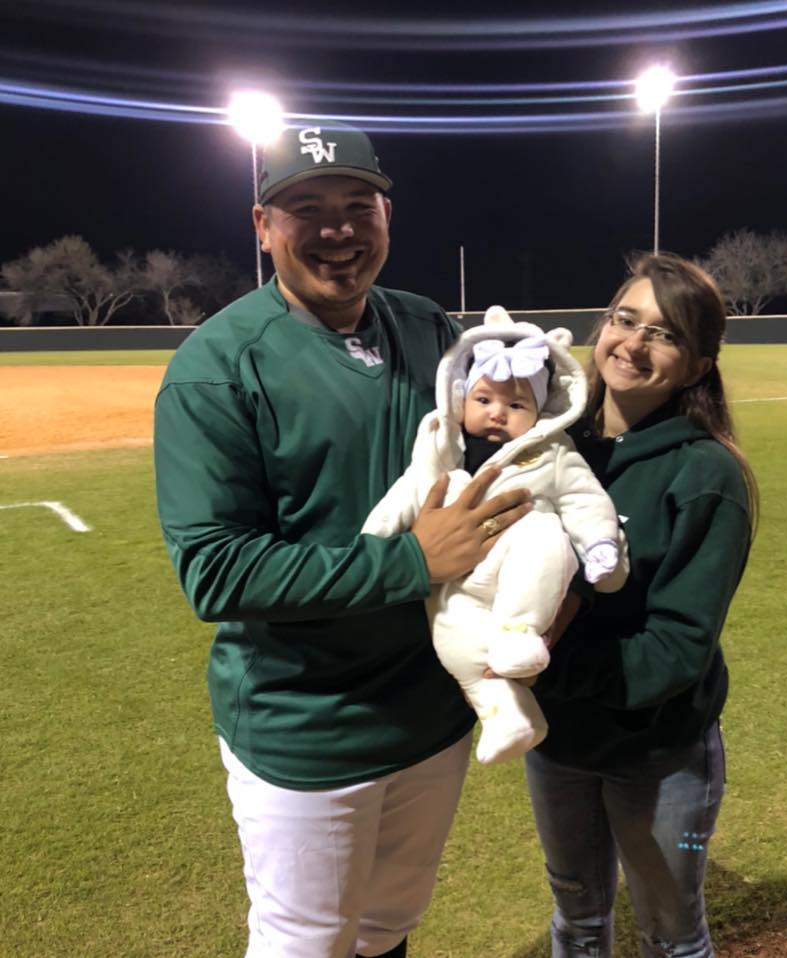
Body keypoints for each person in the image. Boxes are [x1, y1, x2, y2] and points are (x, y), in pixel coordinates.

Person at [153, 122, 531, 958]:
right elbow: (214, 572)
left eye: (358, 205)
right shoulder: (217, 367)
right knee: (304, 944)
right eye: (306, 208)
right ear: (263, 226)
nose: (338, 230)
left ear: (386, 217)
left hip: (431, 710)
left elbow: (501, 446)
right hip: (307, 724)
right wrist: (412, 561)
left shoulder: (429, 328)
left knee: (386, 930)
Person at [525, 252, 758, 958]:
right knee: (575, 915)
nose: (632, 342)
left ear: (696, 365)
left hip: (661, 755)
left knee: (671, 934)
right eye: (624, 319)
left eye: (664, 334)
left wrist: (539, 670)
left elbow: (677, 648)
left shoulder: (705, 476)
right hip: (558, 744)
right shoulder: (552, 446)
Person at [361, 306, 627, 765]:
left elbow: (586, 500)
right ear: (461, 397)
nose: (497, 413)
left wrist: (601, 545)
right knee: (450, 634)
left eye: (516, 404)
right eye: (484, 400)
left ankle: (519, 630)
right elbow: (408, 490)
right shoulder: (440, 444)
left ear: (540, 411)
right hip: (456, 582)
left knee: (544, 535)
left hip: (519, 566)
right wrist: (374, 540)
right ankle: (507, 715)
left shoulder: (553, 453)